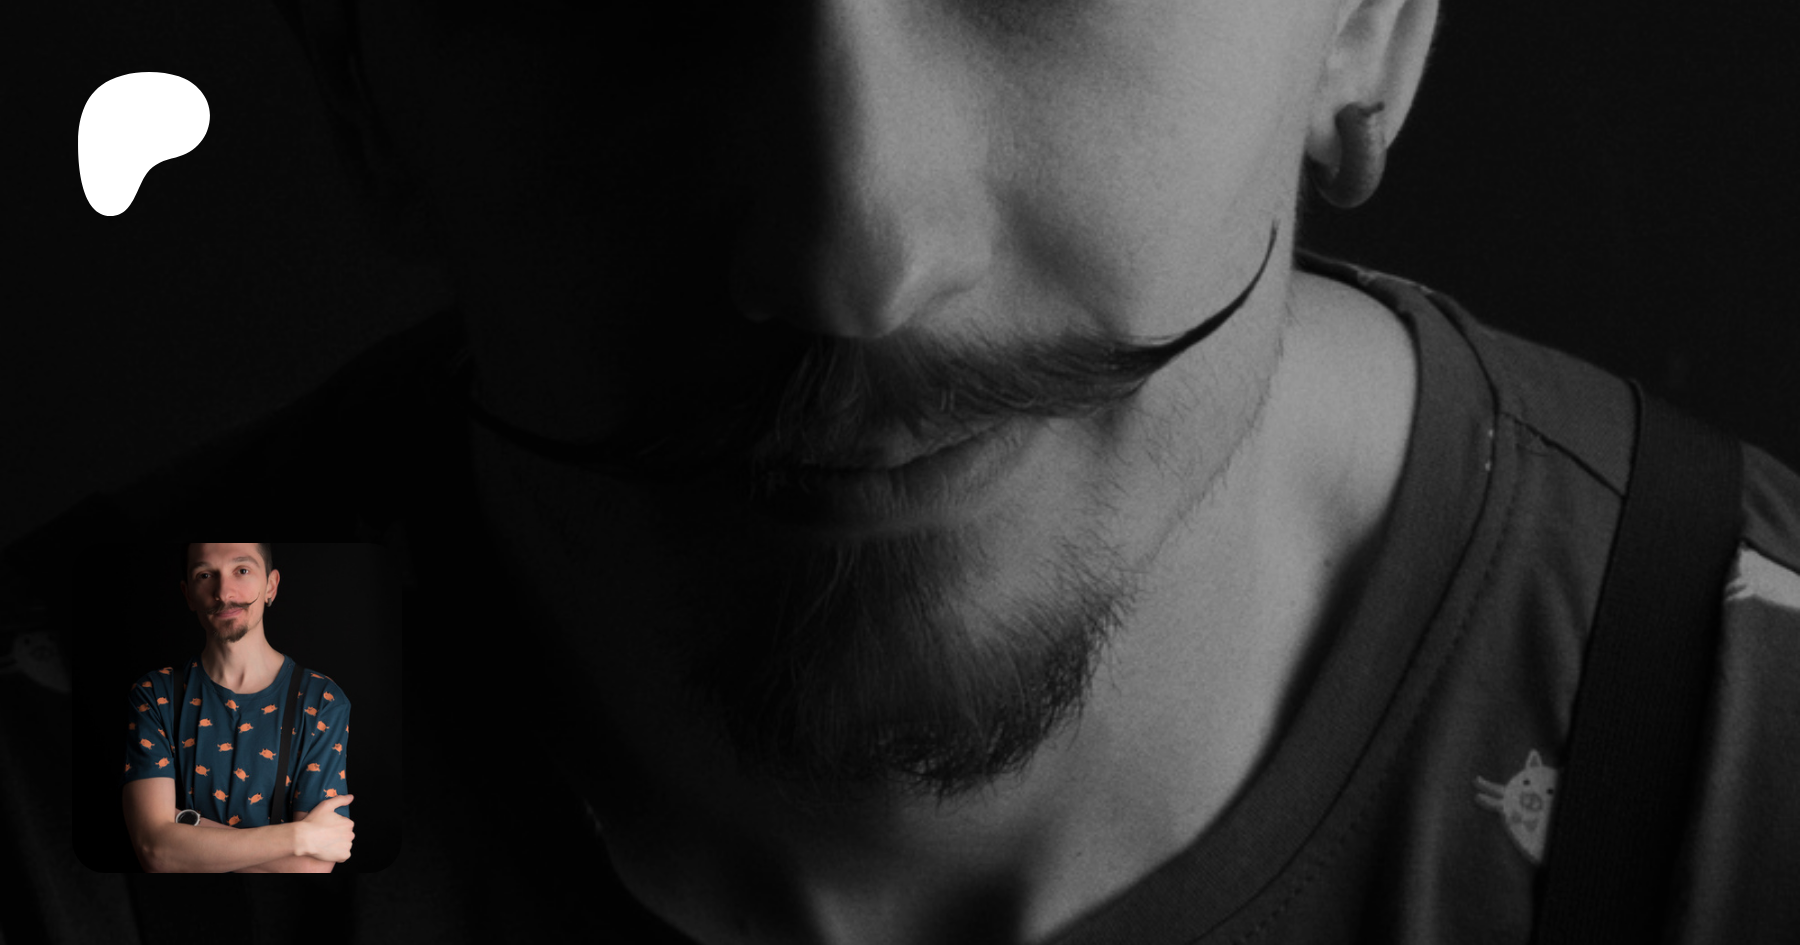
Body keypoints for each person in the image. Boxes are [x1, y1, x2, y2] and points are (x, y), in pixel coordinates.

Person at [1, 0, 1795, 941]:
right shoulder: (94, 809)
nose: (853, 265)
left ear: (1368, 17)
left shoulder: (1748, 780)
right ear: (359, 77)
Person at [119, 542, 354, 873]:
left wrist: (185, 827)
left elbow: (310, 868)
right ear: (188, 595)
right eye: (205, 575)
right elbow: (155, 852)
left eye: (242, 571)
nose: (224, 593)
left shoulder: (322, 701)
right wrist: (299, 836)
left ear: (270, 586)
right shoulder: (155, 694)